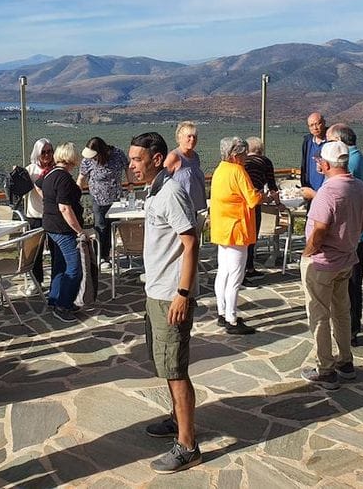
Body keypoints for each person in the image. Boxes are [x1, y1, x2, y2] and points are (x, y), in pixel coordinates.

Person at [128, 131, 202, 474]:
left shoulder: (171, 192)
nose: (132, 166)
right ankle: (176, 420)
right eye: (131, 159)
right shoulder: (155, 191)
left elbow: (191, 242)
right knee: (165, 365)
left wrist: (183, 294)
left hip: (171, 295)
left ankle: (188, 446)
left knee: (175, 371)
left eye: (137, 160)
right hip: (156, 292)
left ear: (157, 159)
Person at [298, 141, 363, 390]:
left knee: (318, 315)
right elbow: (361, 224)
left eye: (319, 161)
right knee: (341, 311)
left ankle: (326, 369)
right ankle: (345, 361)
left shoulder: (328, 192)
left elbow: (319, 229)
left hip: (323, 262)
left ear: (326, 164)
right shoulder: (359, 187)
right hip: (346, 259)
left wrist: (308, 253)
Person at [326, 123, 363, 345]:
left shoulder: (350, 164)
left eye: (329, 140)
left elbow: (345, 198)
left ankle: (351, 328)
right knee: (353, 281)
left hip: (355, 232)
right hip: (361, 230)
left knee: (350, 282)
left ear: (339, 142)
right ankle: (352, 325)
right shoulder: (359, 158)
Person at [209, 137, 262, 335]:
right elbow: (252, 199)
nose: (246, 157)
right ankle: (232, 318)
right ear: (235, 155)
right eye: (243, 154)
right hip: (237, 228)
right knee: (236, 275)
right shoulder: (238, 171)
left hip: (222, 228)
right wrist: (260, 194)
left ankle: (222, 312)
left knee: (223, 271)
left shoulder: (219, 170)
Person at [41, 142, 85, 324]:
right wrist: (79, 231)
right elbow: (65, 208)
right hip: (62, 229)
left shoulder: (50, 175)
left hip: (50, 226)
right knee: (74, 268)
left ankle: (55, 299)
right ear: (72, 158)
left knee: (60, 265)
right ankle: (63, 305)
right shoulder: (64, 178)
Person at [77, 136, 131, 266]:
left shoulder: (117, 154)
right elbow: (81, 178)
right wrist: (75, 192)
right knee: (100, 226)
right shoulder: (88, 161)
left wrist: (131, 183)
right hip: (97, 199)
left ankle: (107, 253)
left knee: (112, 227)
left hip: (115, 198)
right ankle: (101, 256)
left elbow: (127, 167)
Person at [243, 136, 280, 283]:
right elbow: (272, 187)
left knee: (244, 237)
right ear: (261, 150)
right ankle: (249, 269)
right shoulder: (265, 162)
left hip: (240, 203)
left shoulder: (242, 162)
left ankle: (243, 268)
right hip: (254, 201)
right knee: (252, 236)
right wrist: (278, 203)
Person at [24, 138, 55, 292]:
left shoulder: (56, 169)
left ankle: (57, 281)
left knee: (56, 250)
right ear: (37, 153)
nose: (47, 155)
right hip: (35, 215)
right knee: (35, 252)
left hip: (53, 216)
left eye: (50, 151)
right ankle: (37, 281)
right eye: (44, 152)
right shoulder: (30, 171)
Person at [164, 121, 208, 214]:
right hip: (179, 209)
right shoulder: (174, 157)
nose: (192, 139)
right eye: (189, 136)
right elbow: (161, 181)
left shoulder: (195, 156)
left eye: (194, 137)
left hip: (194, 210)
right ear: (180, 137)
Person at [300, 112, 328, 201]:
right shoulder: (307, 142)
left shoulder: (332, 142)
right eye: (311, 125)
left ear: (324, 123)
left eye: (317, 124)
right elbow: (304, 165)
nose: (315, 128)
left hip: (326, 192)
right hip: (310, 191)